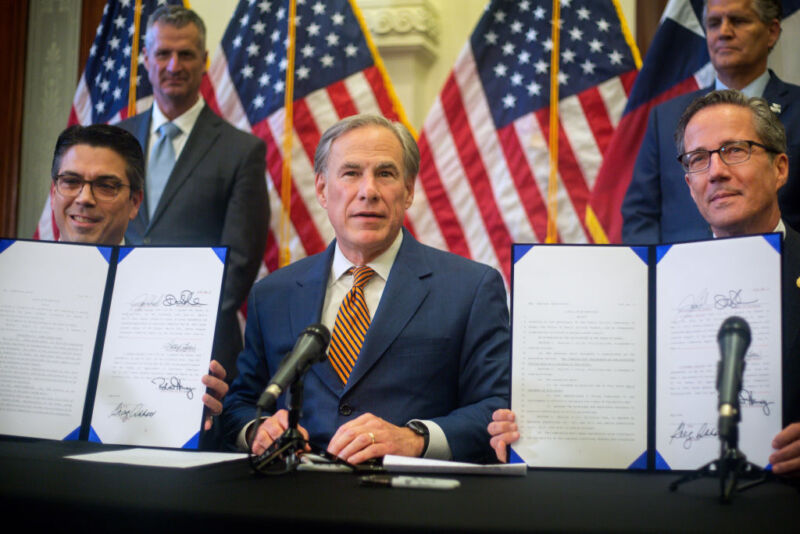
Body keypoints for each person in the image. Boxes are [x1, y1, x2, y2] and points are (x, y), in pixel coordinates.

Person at [490, 90, 800, 476]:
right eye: (699, 159)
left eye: (735, 150)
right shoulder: (654, 284)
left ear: (781, 168)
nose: (716, 171)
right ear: (689, 183)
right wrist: (529, 429)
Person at [222, 114, 509, 464]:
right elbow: (240, 404)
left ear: (408, 191)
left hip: (412, 501)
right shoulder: (272, 294)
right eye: (351, 173)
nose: (368, 191)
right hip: (292, 495)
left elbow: (496, 406)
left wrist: (415, 438)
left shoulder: (471, 288)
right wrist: (258, 430)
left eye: (385, 174)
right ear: (323, 190)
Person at [117, 5, 269, 379]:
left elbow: (240, 260)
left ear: (203, 60)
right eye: (163, 54)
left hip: (202, 345)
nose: (173, 66)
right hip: (120, 333)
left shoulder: (241, 150)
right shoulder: (116, 142)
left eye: (185, 54)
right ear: (146, 60)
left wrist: (175, 321)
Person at [49, 123, 228, 435]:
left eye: (105, 186)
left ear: (134, 203)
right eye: (71, 181)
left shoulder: (193, 296)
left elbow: (226, 417)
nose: (84, 198)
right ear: (54, 191)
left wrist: (206, 415)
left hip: (138, 473)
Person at [621, 0, 800, 244]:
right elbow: (640, 214)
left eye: (738, 20)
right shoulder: (664, 117)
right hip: (681, 273)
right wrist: (658, 272)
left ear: (771, 31)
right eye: (714, 23)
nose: (724, 32)